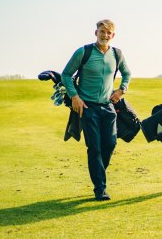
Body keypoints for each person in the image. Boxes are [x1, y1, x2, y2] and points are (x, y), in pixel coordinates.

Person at [61, 19, 131, 201]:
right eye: (102, 31)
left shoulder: (117, 54)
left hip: (108, 106)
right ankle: (100, 188)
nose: (105, 35)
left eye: (108, 33)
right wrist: (75, 97)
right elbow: (66, 74)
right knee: (94, 147)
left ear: (112, 35)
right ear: (96, 33)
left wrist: (122, 89)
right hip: (87, 107)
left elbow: (127, 73)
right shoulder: (83, 52)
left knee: (110, 144)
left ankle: (97, 172)